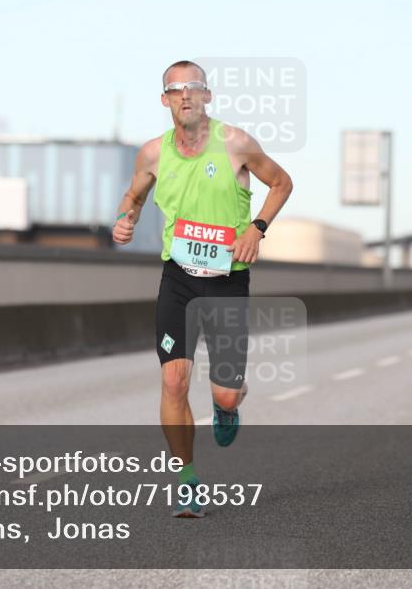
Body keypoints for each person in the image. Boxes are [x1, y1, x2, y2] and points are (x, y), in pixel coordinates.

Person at [112, 60, 293, 517]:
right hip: (178, 280)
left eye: (193, 88)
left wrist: (256, 228)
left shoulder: (235, 143)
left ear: (207, 96)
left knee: (224, 394)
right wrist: (126, 218)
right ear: (164, 100)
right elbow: (133, 195)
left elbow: (281, 182)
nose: (185, 96)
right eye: (175, 90)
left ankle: (229, 405)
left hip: (227, 281)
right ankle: (187, 480)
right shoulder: (153, 153)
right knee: (173, 379)